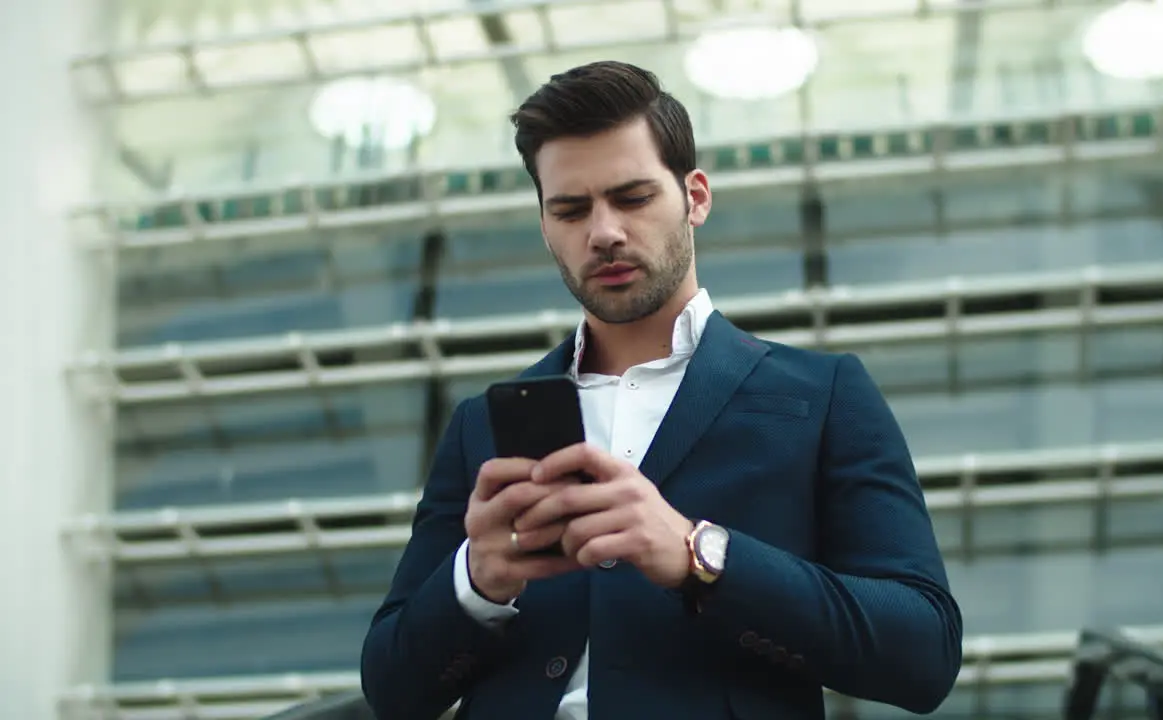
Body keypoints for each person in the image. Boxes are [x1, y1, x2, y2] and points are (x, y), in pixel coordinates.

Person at [360, 60, 963, 720]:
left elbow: (922, 652)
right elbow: (391, 689)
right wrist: (477, 583)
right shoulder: (482, 425)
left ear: (695, 197)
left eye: (633, 197)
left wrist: (698, 554)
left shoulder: (823, 395)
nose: (604, 232)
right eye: (570, 209)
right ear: (544, 226)